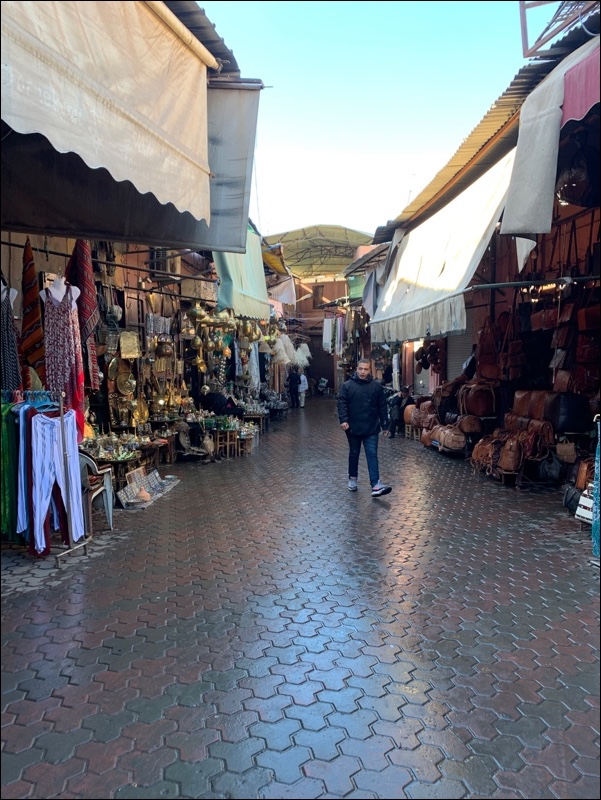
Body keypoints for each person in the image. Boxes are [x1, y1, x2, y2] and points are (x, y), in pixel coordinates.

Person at [337, 358, 391, 497]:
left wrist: (385, 424)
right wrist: (343, 420)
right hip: (353, 427)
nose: (362, 371)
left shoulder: (376, 387)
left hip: (371, 427)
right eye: (360, 368)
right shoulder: (347, 386)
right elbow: (342, 403)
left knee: (372, 454)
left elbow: (382, 406)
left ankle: (376, 484)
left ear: (369, 370)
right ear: (356, 369)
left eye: (365, 369)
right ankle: (352, 478)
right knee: (354, 453)